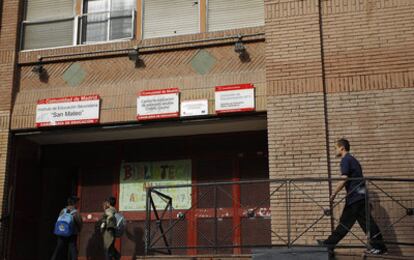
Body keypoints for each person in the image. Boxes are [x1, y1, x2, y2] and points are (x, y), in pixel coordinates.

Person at [318, 138, 387, 255]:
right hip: (359, 197)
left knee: (348, 223)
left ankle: (380, 247)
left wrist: (334, 193)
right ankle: (379, 247)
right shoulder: (353, 160)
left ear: (342, 148)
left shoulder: (346, 160)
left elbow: (344, 178)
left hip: (355, 198)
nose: (335, 151)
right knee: (361, 223)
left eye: (335, 148)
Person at [51, 196, 83, 260]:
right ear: (75, 203)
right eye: (77, 203)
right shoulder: (75, 212)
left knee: (59, 248)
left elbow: (59, 219)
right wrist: (79, 229)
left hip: (61, 231)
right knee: (73, 248)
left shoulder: (63, 210)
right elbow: (79, 222)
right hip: (72, 233)